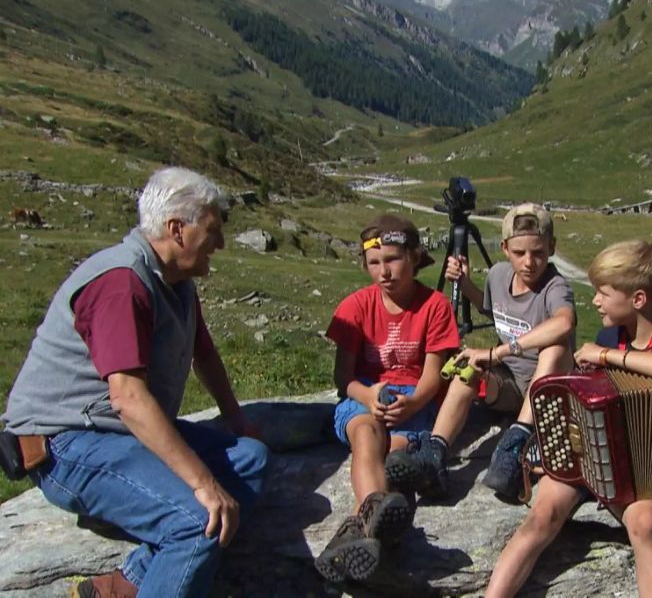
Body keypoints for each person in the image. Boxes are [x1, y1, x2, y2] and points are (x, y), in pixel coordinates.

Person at [1, 167, 270, 598]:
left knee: (251, 458)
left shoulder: (176, 283)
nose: (219, 244)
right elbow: (127, 397)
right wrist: (202, 483)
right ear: (177, 230)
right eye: (213, 231)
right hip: (67, 443)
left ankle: (127, 583)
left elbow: (204, 353)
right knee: (197, 521)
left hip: (118, 434)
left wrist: (237, 420)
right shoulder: (121, 283)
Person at [486, 240, 652, 598]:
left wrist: (606, 356)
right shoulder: (609, 335)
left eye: (603, 293)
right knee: (541, 516)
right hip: (589, 458)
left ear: (638, 300)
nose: (595, 301)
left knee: (645, 522)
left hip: (637, 473)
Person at [385, 203, 576, 502]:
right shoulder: (499, 275)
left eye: (538, 252)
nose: (529, 262)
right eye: (519, 253)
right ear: (504, 248)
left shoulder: (555, 286)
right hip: (513, 385)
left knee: (554, 348)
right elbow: (490, 308)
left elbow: (564, 322)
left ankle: (516, 444)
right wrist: (464, 283)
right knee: (468, 367)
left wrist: (500, 352)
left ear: (551, 248)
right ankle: (435, 454)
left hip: (549, 391)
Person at [315, 214, 459, 582]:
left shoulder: (435, 305)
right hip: (364, 394)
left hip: (411, 399)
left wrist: (413, 403)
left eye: (393, 259)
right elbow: (343, 378)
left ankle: (356, 538)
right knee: (366, 436)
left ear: (414, 257)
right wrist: (368, 394)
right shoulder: (355, 306)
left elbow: (432, 376)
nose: (384, 271)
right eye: (374, 263)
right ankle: (372, 523)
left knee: (393, 455)